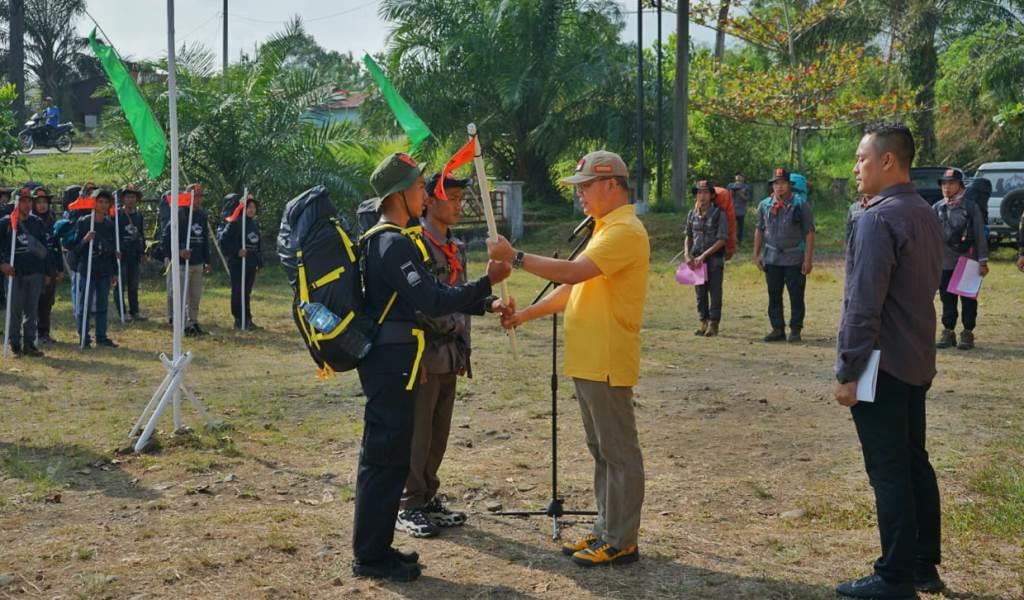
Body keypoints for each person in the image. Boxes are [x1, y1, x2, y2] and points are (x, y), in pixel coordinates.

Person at [351, 153, 510, 582]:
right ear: (399, 193)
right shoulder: (392, 242)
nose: (426, 194)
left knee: (392, 457)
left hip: (398, 360)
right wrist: (487, 282)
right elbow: (433, 300)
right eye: (420, 187)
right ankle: (369, 556)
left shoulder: (393, 239)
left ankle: (378, 548)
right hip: (391, 364)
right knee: (384, 459)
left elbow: (436, 292)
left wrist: (481, 299)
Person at [487, 150, 649, 568]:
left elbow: (572, 274)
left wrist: (515, 257)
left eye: (586, 187)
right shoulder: (603, 229)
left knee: (619, 452)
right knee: (602, 451)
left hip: (607, 357)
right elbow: (573, 290)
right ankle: (606, 529)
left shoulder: (625, 230)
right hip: (589, 358)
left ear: (612, 184)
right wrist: (524, 315)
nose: (580, 196)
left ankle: (621, 540)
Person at [834, 122, 945, 599]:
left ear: (888, 162)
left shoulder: (877, 219)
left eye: (862, 158)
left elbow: (863, 304)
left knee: (889, 469)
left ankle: (894, 576)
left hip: (881, 364)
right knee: (913, 461)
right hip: (915, 357)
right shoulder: (922, 211)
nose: (856, 167)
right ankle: (922, 564)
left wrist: (847, 370)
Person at [394, 173, 501, 539]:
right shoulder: (416, 244)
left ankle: (426, 497)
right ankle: (408, 503)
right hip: (425, 352)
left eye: (459, 198)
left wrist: (490, 302)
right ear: (429, 200)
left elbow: (460, 295)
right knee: (418, 432)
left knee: (438, 432)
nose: (457, 204)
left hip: (452, 353)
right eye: (451, 197)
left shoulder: (454, 245)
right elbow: (422, 303)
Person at [753, 167, 816, 343]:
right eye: (776, 184)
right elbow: (759, 229)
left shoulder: (800, 204)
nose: (779, 187)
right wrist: (756, 254)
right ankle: (777, 328)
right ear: (772, 186)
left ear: (789, 185)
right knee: (774, 294)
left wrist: (808, 259)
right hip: (772, 257)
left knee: (796, 295)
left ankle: (795, 329)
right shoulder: (764, 205)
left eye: (783, 183)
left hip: (794, 257)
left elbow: (809, 232)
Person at [932, 169, 988, 350]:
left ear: (960, 185)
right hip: (944, 261)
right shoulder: (937, 207)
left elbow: (979, 234)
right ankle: (948, 331)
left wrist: (982, 261)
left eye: (951, 183)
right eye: (944, 184)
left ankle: (967, 332)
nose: (946, 187)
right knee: (947, 298)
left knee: (968, 299)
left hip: (967, 260)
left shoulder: (971, 207)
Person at [0, 188, 52, 356]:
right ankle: (14, 343)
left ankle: (30, 343)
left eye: (29, 201)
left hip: (35, 273)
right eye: (23, 201)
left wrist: (46, 272)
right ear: (16, 202)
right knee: (14, 310)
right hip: (15, 274)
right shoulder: (5, 223)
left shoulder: (37, 223)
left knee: (32, 310)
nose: (27, 204)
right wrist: (2, 264)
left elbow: (44, 249)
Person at [68, 189, 120, 348]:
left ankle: (101, 336)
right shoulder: (84, 222)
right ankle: (84, 336)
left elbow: (112, 249)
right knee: (85, 304)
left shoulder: (109, 224)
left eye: (106, 202)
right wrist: (85, 240)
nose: (103, 205)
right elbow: (74, 248)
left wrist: (114, 272)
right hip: (87, 269)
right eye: (100, 202)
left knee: (103, 304)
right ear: (94, 203)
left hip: (104, 269)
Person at [162, 184, 210, 336]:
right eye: (195, 195)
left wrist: (207, 260)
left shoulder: (202, 215)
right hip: (182, 263)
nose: (198, 199)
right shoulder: (178, 214)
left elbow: (205, 239)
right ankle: (182, 324)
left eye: (200, 196)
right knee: (181, 295)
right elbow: (166, 238)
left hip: (197, 262)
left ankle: (193, 322)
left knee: (195, 296)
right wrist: (179, 251)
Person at [684, 179, 728, 337]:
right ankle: (703, 321)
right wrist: (686, 254)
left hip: (714, 259)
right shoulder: (692, 214)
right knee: (700, 292)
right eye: (699, 192)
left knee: (715, 291)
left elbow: (722, 239)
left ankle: (713, 324)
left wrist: (704, 255)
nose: (702, 196)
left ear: (711, 195)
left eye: (705, 192)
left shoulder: (719, 214)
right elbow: (688, 235)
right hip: (696, 259)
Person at [218, 193, 262, 330]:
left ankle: (248, 319)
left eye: (254, 207)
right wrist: (237, 251)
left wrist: (259, 263)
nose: (251, 210)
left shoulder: (254, 224)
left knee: (246, 293)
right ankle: (239, 319)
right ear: (243, 208)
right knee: (238, 291)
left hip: (250, 264)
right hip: (238, 264)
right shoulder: (235, 223)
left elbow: (258, 245)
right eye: (249, 207)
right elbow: (223, 242)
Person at [31, 187, 64, 345]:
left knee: (47, 301)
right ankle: (33, 332)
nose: (42, 205)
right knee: (34, 301)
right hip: (34, 267)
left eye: (45, 202)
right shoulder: (29, 221)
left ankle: (45, 332)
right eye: (38, 202)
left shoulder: (52, 221)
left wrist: (60, 268)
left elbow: (57, 246)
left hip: (50, 266)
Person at [114, 185, 147, 321]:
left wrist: (143, 252)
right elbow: (112, 234)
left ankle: (135, 311)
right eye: (128, 197)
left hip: (135, 254)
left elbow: (141, 235)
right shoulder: (117, 215)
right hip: (121, 254)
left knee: (133, 285)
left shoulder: (139, 216)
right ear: (122, 199)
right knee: (120, 285)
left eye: (133, 197)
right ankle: (122, 312)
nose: (131, 200)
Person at [726, 173, 752, 244]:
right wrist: (731, 193)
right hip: (731, 209)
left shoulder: (746, 187)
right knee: (730, 226)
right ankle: (730, 241)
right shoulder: (730, 185)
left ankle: (739, 242)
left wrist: (740, 193)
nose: (738, 177)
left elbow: (747, 199)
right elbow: (727, 197)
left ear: (743, 178)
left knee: (740, 227)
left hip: (741, 210)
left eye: (740, 176)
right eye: (737, 175)